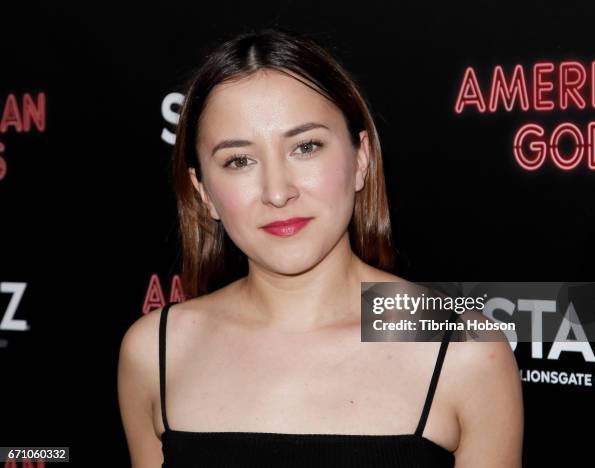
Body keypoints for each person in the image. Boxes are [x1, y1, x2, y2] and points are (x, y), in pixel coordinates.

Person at [117, 27, 523, 467]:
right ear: (203, 192)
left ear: (361, 159)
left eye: (306, 146)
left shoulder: (462, 345)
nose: (277, 192)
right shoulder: (157, 350)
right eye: (239, 160)